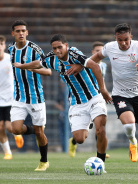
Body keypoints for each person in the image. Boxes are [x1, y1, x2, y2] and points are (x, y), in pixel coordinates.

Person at [13, 34, 112, 171]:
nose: (57, 51)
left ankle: (101, 164)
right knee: (79, 139)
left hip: (94, 97)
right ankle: (87, 123)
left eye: (60, 47)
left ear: (66, 46)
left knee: (101, 130)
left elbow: (94, 66)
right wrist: (22, 66)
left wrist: (103, 90)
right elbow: (38, 63)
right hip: (77, 102)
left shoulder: (74, 53)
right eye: (54, 48)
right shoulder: (52, 59)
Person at [88, 23, 138, 173]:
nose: (124, 43)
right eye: (120, 40)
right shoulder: (109, 47)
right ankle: (133, 142)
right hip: (120, 95)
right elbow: (93, 60)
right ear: (116, 38)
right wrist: (80, 66)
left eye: (126, 39)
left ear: (131, 37)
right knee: (129, 124)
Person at [8, 20, 52, 171]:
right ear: (13, 33)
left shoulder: (34, 49)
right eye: (18, 31)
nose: (21, 33)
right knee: (15, 129)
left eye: (23, 31)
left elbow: (49, 71)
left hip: (36, 98)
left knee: (40, 133)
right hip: (19, 97)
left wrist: (33, 69)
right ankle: (38, 129)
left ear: (27, 32)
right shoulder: (11, 50)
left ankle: (44, 161)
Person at [89, 41, 110, 159]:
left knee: (100, 127)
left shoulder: (104, 65)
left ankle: (100, 151)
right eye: (97, 51)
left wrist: (105, 93)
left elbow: (102, 81)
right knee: (82, 135)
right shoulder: (87, 63)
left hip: (98, 97)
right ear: (92, 52)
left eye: (101, 51)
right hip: (87, 98)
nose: (99, 53)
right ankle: (73, 142)